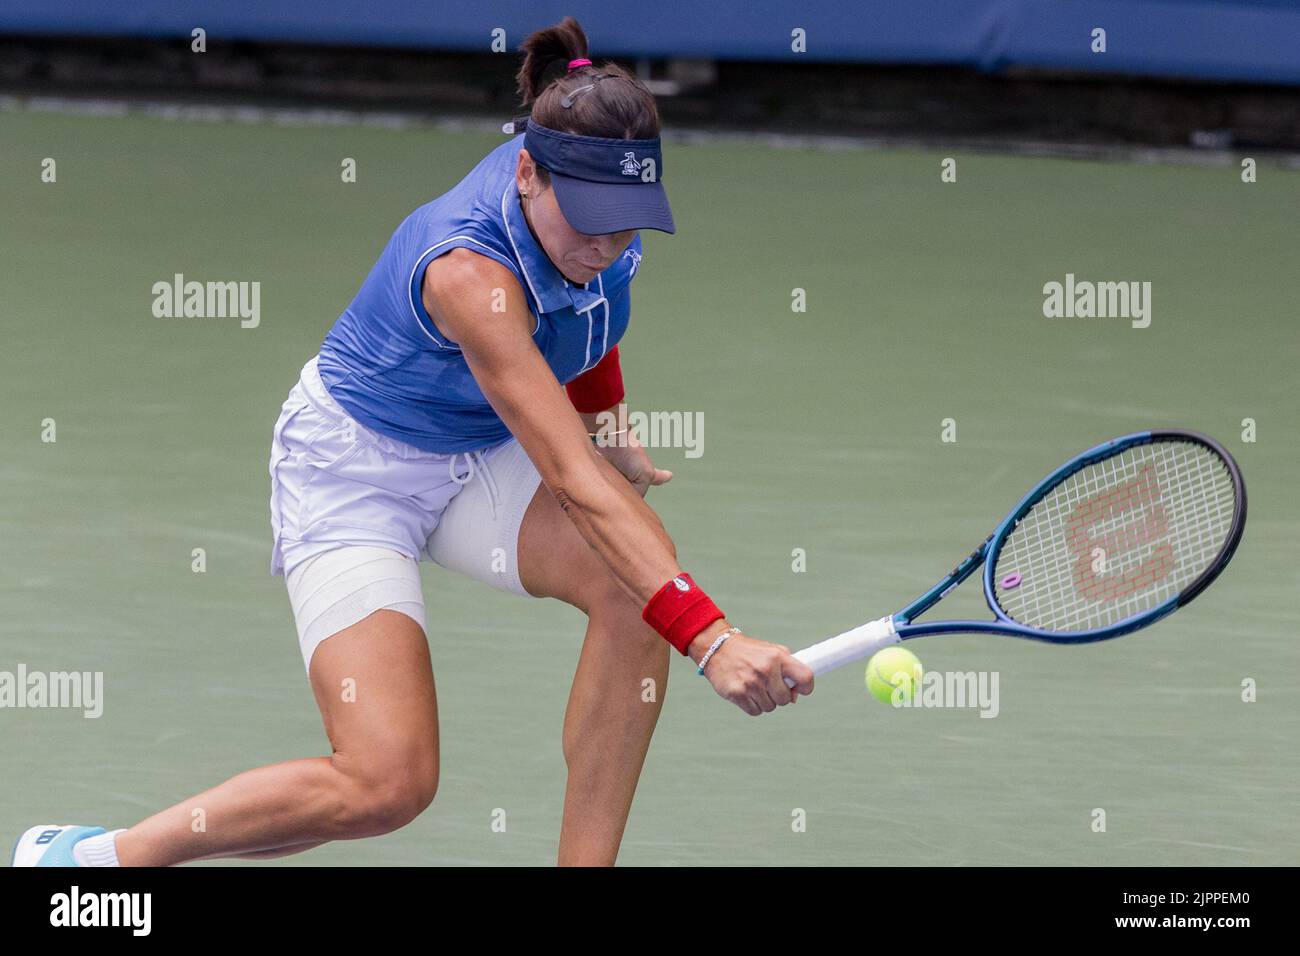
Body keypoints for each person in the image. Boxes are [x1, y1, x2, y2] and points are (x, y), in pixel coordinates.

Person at [12, 15, 814, 869]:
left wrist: (606, 418)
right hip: (353, 472)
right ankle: (97, 861)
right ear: (527, 172)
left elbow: (591, 314)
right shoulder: (468, 272)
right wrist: (715, 642)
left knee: (634, 586)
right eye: (588, 221)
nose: (605, 244)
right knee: (386, 784)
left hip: (478, 452)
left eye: (625, 225)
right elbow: (571, 480)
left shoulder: (599, 227)